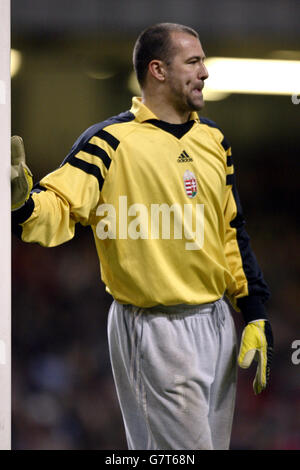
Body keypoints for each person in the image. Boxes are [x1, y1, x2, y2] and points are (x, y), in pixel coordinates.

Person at [11, 22, 273, 450]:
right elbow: (57, 208)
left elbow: (232, 231)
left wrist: (254, 310)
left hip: (218, 322)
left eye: (203, 61)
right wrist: (21, 201)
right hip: (156, 328)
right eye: (193, 62)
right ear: (158, 70)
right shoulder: (109, 143)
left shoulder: (215, 141)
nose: (204, 72)